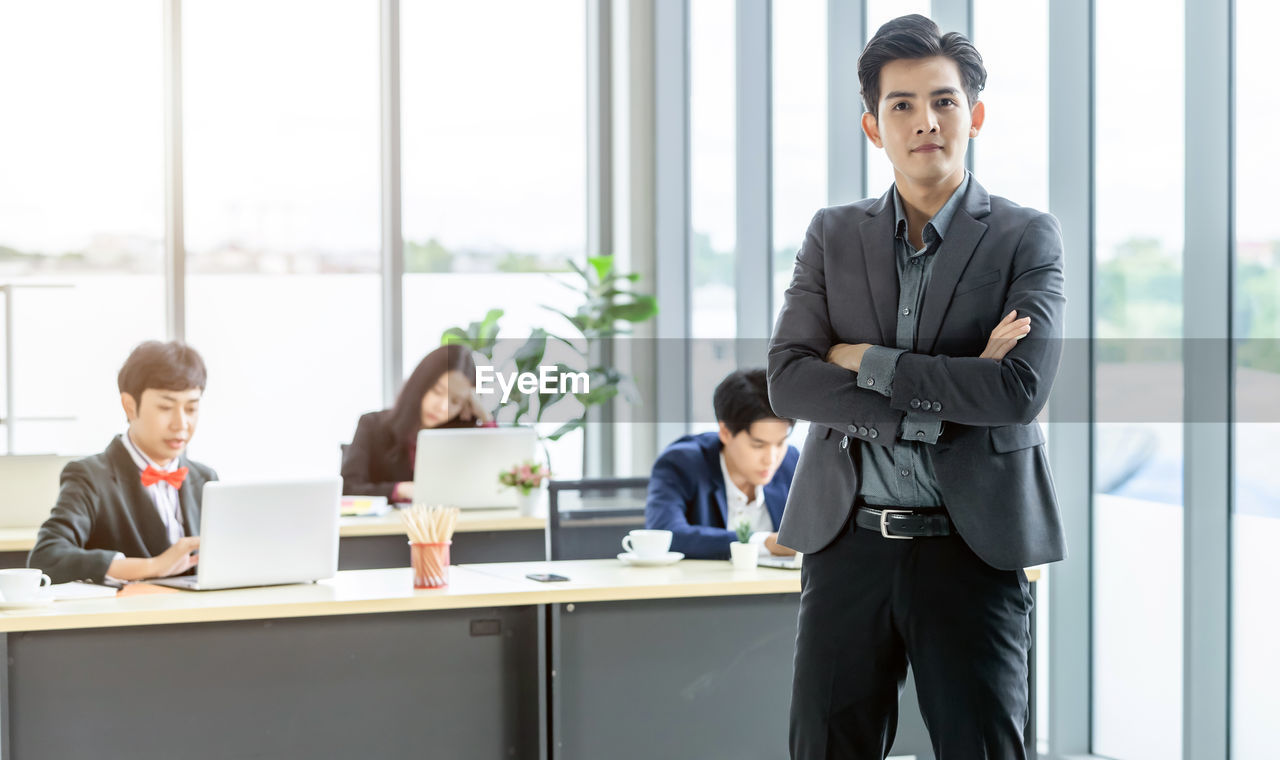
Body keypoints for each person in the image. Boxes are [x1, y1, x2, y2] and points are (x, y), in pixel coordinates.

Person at [768, 15, 1065, 759]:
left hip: (972, 549)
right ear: (873, 126)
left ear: (976, 114)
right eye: (901, 104)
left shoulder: (1026, 236)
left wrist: (863, 357)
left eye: (943, 100)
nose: (924, 121)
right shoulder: (832, 235)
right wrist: (938, 402)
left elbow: (1018, 392)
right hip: (847, 545)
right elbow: (790, 381)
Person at [29, 341, 215, 585]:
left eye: (191, 408)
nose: (180, 424)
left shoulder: (205, 478)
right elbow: (47, 558)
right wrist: (154, 566)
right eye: (165, 407)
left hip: (204, 618)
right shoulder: (89, 476)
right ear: (129, 405)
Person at [645, 368, 800, 560]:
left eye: (780, 443)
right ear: (725, 432)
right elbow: (665, 534)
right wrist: (765, 543)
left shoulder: (791, 461)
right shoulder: (681, 463)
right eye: (757, 445)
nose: (771, 458)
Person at [341, 344, 492, 501]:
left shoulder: (460, 437)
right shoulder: (372, 425)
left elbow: (498, 480)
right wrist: (400, 490)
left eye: (455, 401)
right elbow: (348, 489)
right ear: (421, 384)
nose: (442, 407)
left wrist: (485, 416)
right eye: (437, 391)